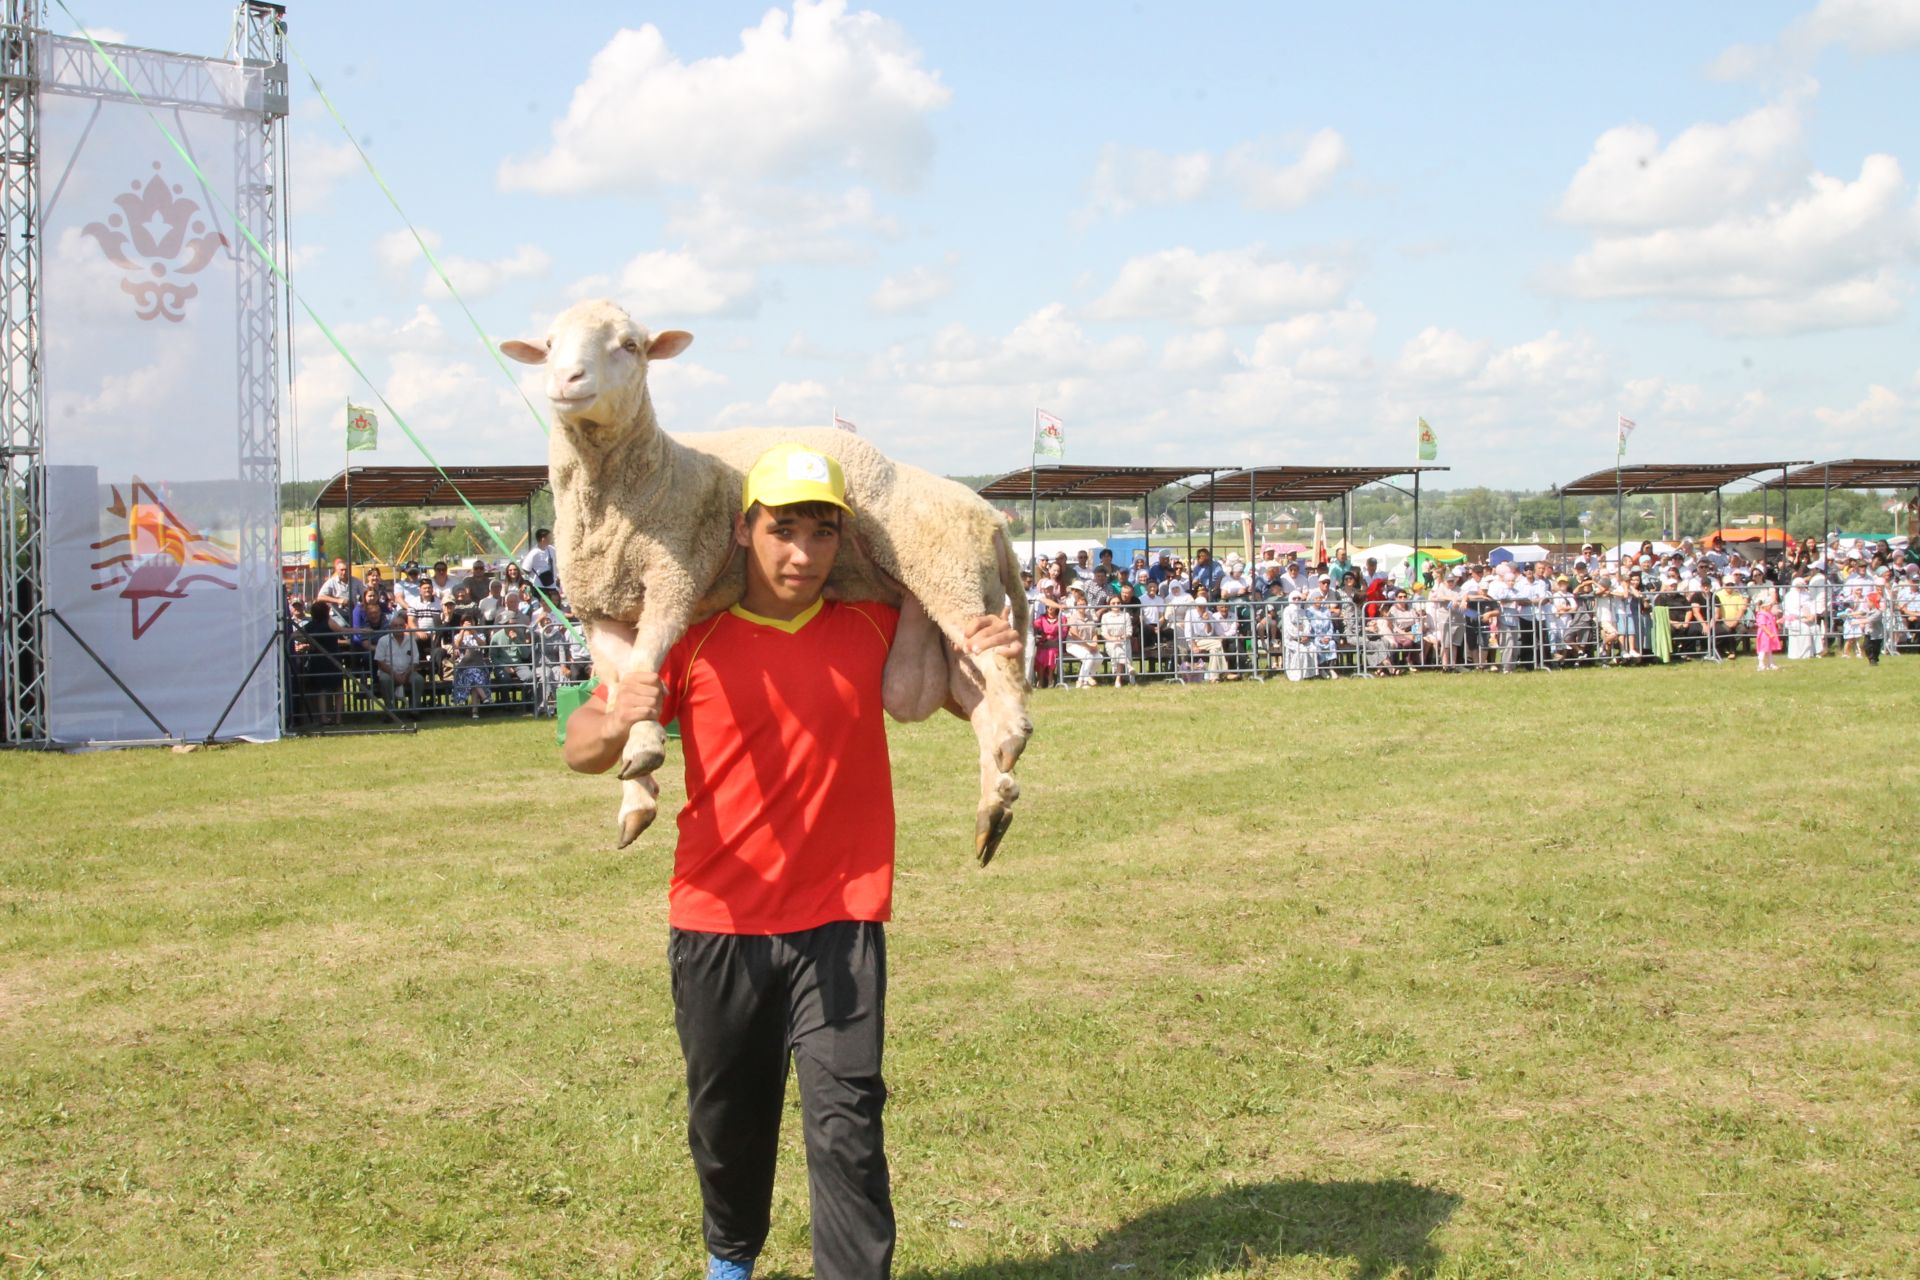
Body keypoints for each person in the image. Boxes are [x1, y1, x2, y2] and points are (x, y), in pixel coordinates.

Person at [562, 444, 1017, 1280]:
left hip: (841, 924)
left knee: (848, 1127)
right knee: (729, 1124)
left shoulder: (871, 626)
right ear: (742, 531)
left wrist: (985, 645)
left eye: (821, 532)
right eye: (783, 530)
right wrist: (621, 704)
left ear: (845, 542)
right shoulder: (689, 637)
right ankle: (729, 1259)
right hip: (717, 922)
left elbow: (949, 698)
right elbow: (582, 750)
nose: (802, 553)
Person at [522, 526, 559, 594]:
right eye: (549, 537)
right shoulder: (534, 552)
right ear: (543, 539)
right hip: (538, 586)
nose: (550, 539)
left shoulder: (551, 549)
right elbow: (525, 568)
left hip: (552, 585)